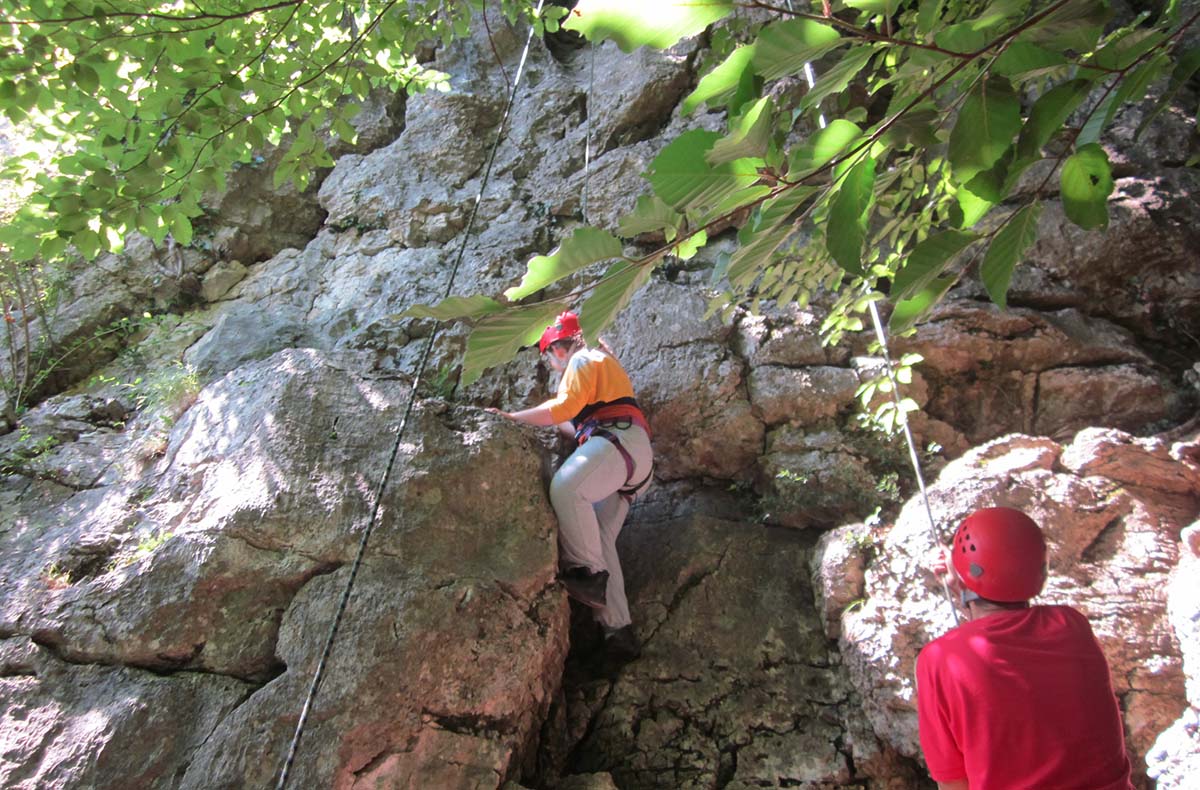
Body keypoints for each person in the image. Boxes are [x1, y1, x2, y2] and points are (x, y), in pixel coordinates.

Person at [916, 506, 1134, 790]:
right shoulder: (1072, 626)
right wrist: (966, 586)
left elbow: (954, 784)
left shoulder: (939, 660)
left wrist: (963, 588)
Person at [488, 311, 652, 662]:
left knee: (566, 487)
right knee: (599, 536)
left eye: (548, 357)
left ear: (558, 349)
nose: (551, 365)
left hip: (617, 443)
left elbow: (563, 408)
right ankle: (617, 631)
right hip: (630, 455)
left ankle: (587, 575)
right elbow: (573, 422)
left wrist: (511, 418)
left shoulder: (584, 357)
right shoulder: (602, 367)